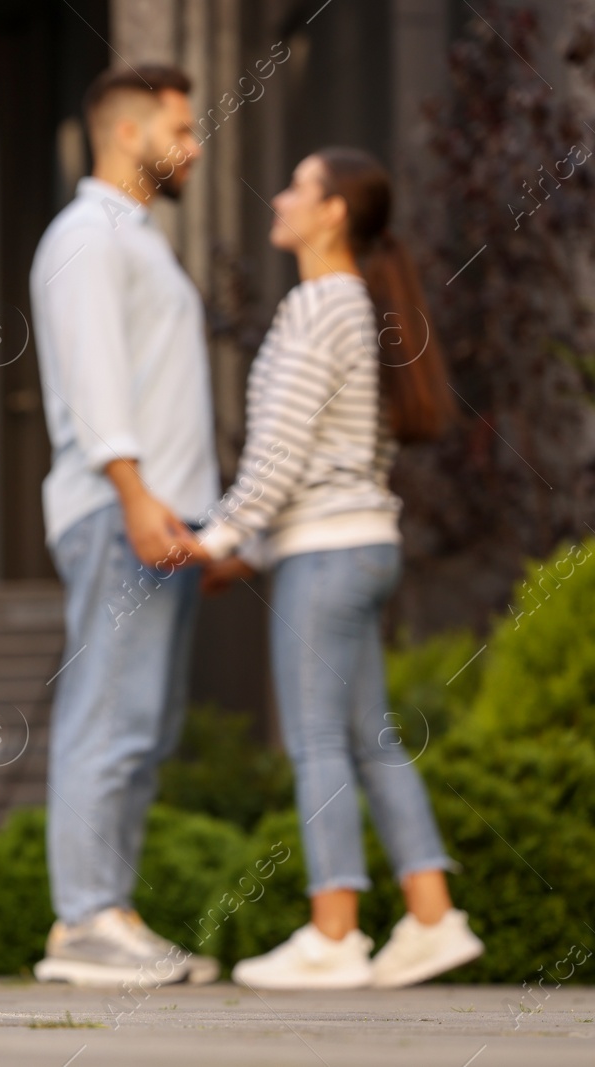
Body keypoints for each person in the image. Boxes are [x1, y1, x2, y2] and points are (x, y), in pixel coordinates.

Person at [186, 147, 484, 989]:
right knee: (369, 737)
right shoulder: (361, 306)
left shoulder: (320, 307)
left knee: (319, 740)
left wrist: (218, 538)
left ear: (333, 214)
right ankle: (432, 918)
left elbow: (278, 455)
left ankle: (335, 931)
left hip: (324, 551)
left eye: (298, 187)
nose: (278, 197)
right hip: (362, 544)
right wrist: (241, 544)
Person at [28, 64, 220, 988]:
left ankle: (110, 906)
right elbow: (100, 378)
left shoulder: (135, 240)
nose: (193, 146)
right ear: (126, 131)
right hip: (120, 512)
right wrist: (137, 496)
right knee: (108, 711)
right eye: (179, 129)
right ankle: (83, 921)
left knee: (140, 719)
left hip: (158, 514)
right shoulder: (87, 236)